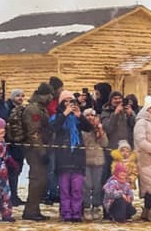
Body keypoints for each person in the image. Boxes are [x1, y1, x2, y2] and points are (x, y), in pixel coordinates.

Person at [51, 92, 92, 222]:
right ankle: (66, 212)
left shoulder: (77, 118)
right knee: (64, 188)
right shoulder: (56, 117)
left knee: (77, 188)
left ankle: (76, 212)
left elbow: (89, 128)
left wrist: (80, 116)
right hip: (63, 157)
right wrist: (65, 114)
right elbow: (54, 128)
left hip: (77, 157)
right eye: (66, 101)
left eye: (71, 100)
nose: (69, 103)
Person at [21, 85, 52, 221]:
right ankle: (30, 211)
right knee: (37, 180)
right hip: (34, 150)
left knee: (41, 180)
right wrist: (41, 151)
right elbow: (34, 132)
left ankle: (34, 209)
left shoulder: (40, 107)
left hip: (40, 147)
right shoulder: (33, 109)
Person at [81, 106, 109, 220]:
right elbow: (84, 142)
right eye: (87, 115)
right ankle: (87, 206)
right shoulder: (82, 130)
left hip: (98, 160)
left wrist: (100, 131)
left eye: (92, 115)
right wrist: (90, 130)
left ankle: (96, 206)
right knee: (87, 185)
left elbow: (105, 143)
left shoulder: (100, 129)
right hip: (86, 160)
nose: (90, 117)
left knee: (97, 186)